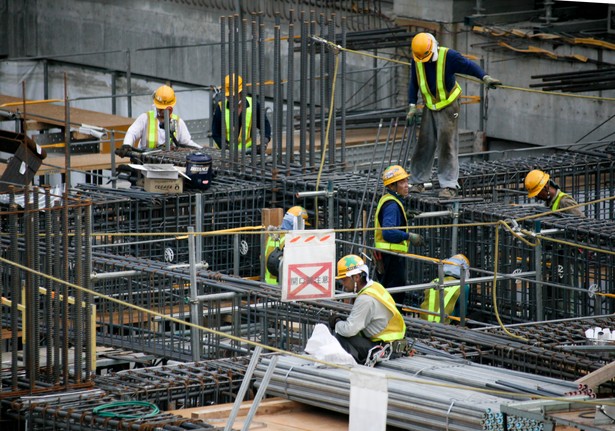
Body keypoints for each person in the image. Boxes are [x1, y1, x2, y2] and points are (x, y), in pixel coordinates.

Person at [406, 32, 502, 199]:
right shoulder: (418, 58)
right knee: (424, 143)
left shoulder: (449, 56)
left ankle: (448, 185)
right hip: (430, 105)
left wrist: (484, 77)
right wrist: (412, 106)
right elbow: (414, 82)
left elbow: (469, 66)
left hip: (449, 105)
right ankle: (418, 181)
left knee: (447, 143)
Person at [329, 254, 407, 365]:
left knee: (341, 336)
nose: (343, 284)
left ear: (356, 277)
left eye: (344, 280)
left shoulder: (365, 299)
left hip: (383, 350)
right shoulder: (375, 286)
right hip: (393, 344)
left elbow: (349, 330)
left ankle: (354, 366)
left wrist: (337, 322)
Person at [373, 165, 425, 306]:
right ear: (392, 185)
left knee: (388, 294)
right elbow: (388, 233)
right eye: (402, 182)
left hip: (386, 257)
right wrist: (409, 236)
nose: (407, 185)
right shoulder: (392, 205)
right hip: (391, 257)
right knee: (394, 297)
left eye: (406, 181)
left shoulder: (389, 200)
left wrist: (404, 216)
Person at [118, 85, 202, 156]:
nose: (163, 111)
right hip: (145, 162)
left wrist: (202, 151)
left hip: (170, 164)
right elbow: (132, 133)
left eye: (165, 109)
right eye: (161, 108)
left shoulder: (178, 122)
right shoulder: (145, 118)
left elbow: (187, 143)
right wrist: (127, 145)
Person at [211, 74, 271, 154]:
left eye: (233, 95)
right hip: (225, 153)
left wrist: (264, 142)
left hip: (247, 152)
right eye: (228, 96)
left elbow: (265, 125)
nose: (230, 98)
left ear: (240, 92)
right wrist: (225, 146)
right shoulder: (221, 108)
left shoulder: (253, 105)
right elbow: (215, 133)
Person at [264, 206, 310, 285]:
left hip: (269, 283)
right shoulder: (289, 240)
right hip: (282, 285)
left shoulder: (273, 236)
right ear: (295, 222)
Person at [420, 254, 471, 324]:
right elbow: (461, 314)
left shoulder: (434, 281)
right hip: (445, 324)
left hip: (423, 322)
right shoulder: (463, 286)